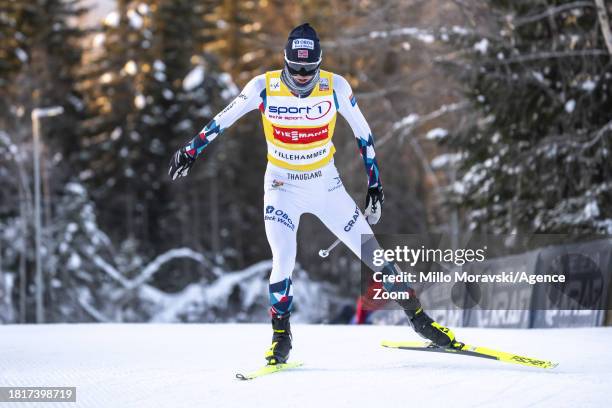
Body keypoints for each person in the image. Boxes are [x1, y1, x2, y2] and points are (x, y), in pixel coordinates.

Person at [169, 23, 459, 365]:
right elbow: (223, 120)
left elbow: (363, 134)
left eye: (310, 69)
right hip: (281, 187)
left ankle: (421, 321)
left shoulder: (335, 86)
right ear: (285, 62)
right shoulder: (264, 87)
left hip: (326, 187)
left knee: (375, 256)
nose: (303, 77)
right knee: (283, 258)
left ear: (319, 63)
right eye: (296, 69)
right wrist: (189, 151)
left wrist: (375, 186)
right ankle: (281, 338)